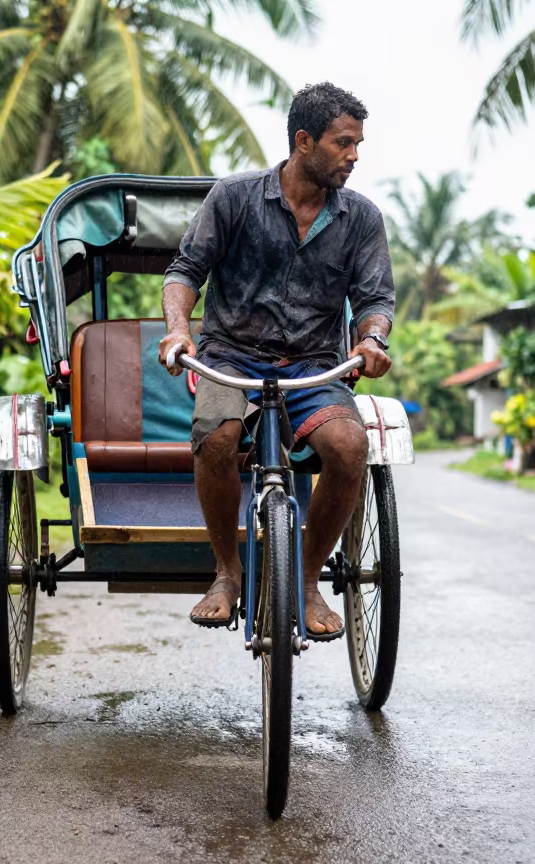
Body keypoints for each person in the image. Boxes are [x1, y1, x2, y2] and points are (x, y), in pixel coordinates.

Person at [157, 82, 395, 638]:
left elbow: (375, 301)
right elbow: (185, 271)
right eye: (343, 143)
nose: (354, 156)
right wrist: (177, 333)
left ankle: (308, 581)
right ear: (303, 140)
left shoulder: (361, 218)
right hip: (231, 357)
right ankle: (226, 572)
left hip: (315, 365)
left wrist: (372, 340)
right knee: (216, 437)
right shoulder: (236, 196)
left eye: (358, 144)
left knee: (350, 446)